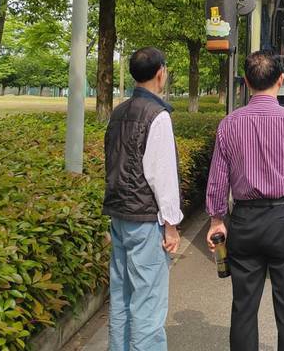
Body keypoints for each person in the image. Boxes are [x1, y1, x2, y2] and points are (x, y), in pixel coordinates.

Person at [206, 51, 284, 351]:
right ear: (281, 80)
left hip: (245, 221)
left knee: (243, 307)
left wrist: (216, 220)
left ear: (246, 82)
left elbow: (218, 179)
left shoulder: (229, 124)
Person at [102, 47, 182, 350]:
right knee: (147, 305)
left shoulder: (119, 112)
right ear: (161, 73)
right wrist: (171, 224)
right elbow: (162, 175)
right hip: (146, 220)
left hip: (119, 216)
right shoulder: (157, 115)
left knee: (121, 298)